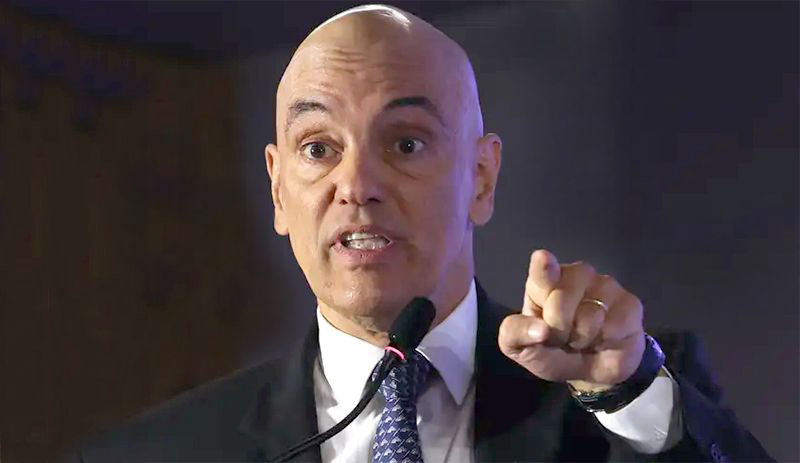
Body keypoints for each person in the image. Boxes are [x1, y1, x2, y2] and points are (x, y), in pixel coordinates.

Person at [66, 5, 772, 462]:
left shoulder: (629, 398)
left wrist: (627, 394)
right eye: (318, 148)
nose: (356, 184)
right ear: (279, 191)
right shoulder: (158, 451)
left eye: (405, 143)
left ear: (481, 178)